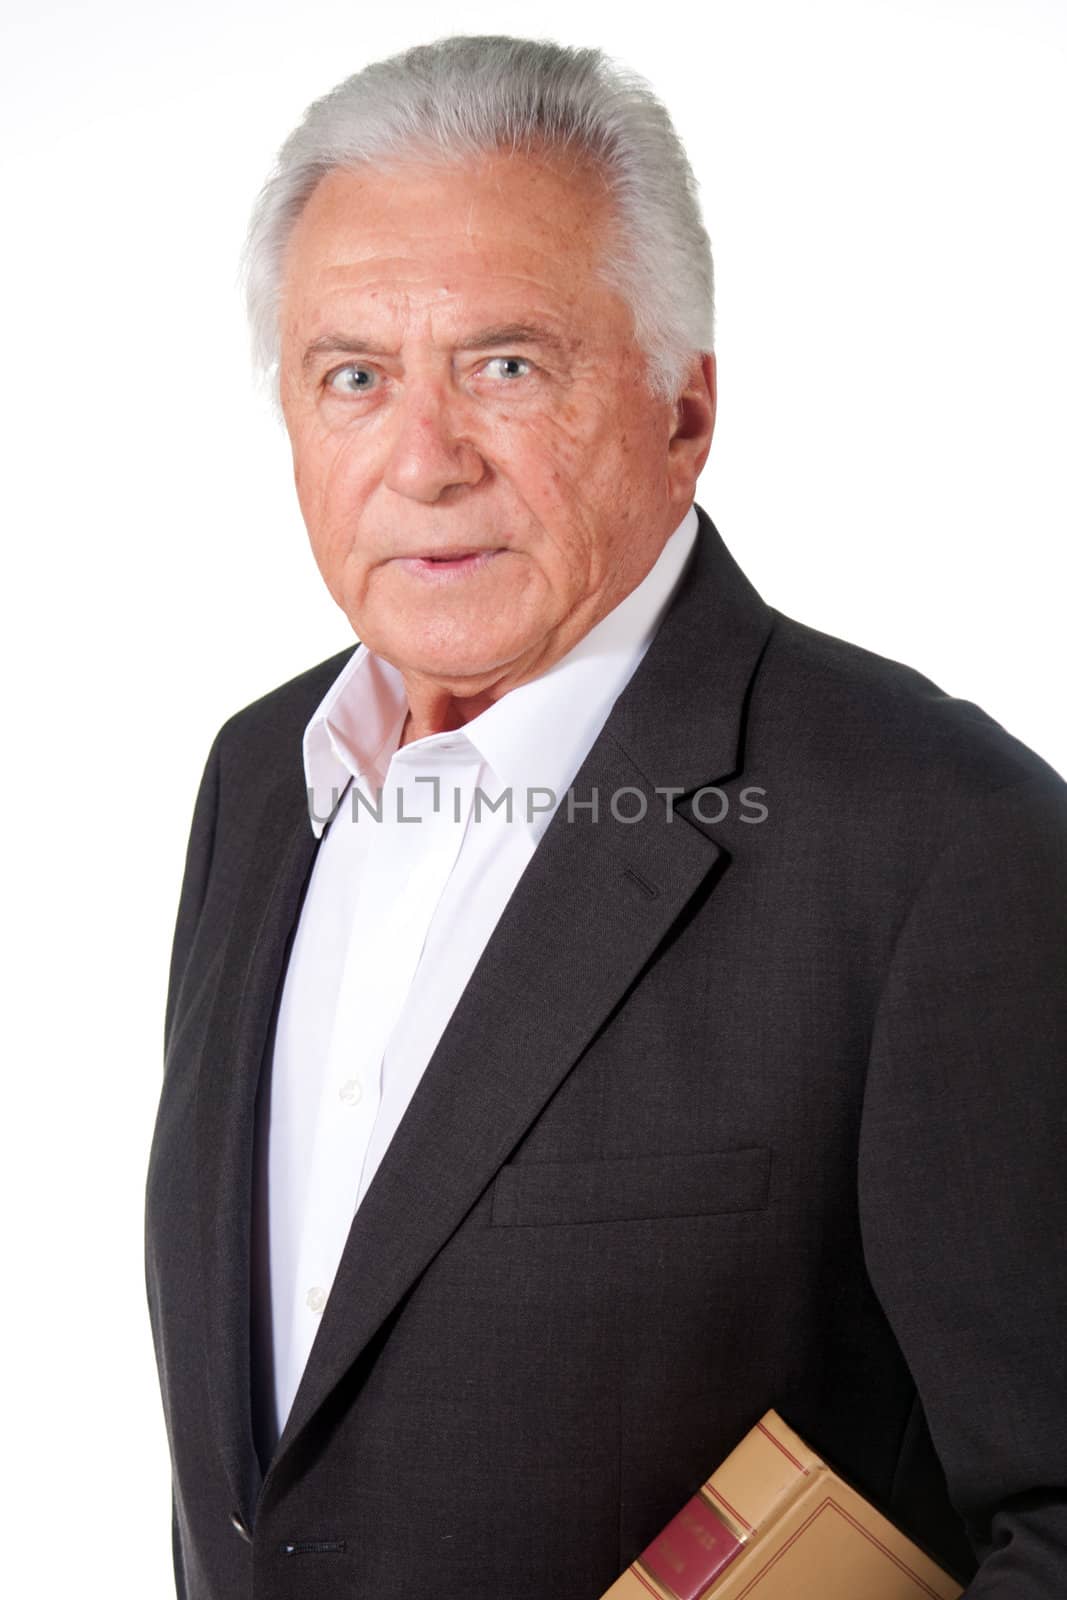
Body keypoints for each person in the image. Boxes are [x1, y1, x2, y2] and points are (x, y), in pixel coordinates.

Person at [144, 33, 1067, 1600]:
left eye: (507, 365)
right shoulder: (257, 782)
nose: (423, 463)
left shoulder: (939, 843)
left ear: (683, 411)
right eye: (354, 378)